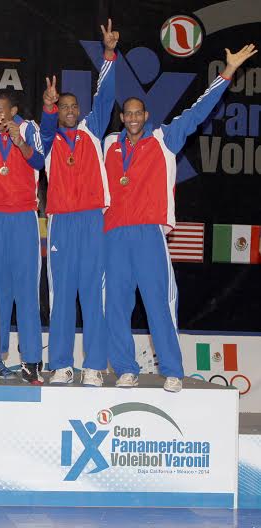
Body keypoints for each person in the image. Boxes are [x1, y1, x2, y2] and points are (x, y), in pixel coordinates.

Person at [105, 44, 257, 393]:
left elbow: (197, 111)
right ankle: (125, 368)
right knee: (115, 304)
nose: (131, 118)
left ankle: (172, 370)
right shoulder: (109, 145)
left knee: (158, 301)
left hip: (148, 232)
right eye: (126, 113)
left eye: (137, 113)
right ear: (122, 118)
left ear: (145, 116)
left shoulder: (164, 140)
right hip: (113, 233)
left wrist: (228, 72)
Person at [39, 19, 118, 387]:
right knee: (62, 294)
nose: (69, 110)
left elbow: (106, 94)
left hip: (90, 220)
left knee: (92, 293)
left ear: (80, 109)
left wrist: (109, 54)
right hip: (61, 223)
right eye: (63, 106)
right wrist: (48, 107)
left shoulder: (91, 129)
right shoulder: (51, 137)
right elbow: (44, 130)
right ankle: (60, 363)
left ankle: (94, 365)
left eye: (72, 106)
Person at [0, 90, 45, 384]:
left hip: (25, 217)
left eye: (1, 110)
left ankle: (31, 360)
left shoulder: (29, 128)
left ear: (13, 110)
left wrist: (20, 142)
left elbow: (40, 162)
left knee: (27, 291)